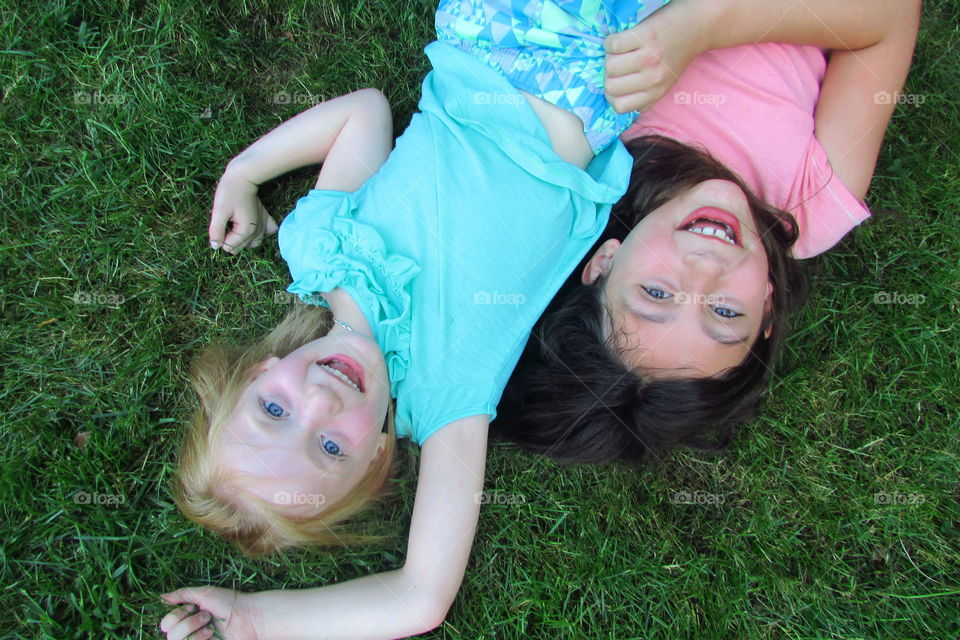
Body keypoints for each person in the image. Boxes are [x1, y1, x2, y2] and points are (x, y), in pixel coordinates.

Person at [159, 2, 670, 639]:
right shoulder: (448, 397)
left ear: (261, 371)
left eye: (274, 410)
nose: (319, 401)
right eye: (328, 446)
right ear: (374, 457)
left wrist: (247, 172)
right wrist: (256, 621)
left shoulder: (324, 251)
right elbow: (419, 598)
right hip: (592, 72)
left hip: (488, 33)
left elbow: (365, 110)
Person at [495, 0, 922, 462]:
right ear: (766, 304)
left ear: (605, 263)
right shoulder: (813, 201)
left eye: (657, 294)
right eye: (724, 312)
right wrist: (703, 25)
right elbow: (892, 18)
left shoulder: (581, 149)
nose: (705, 270)